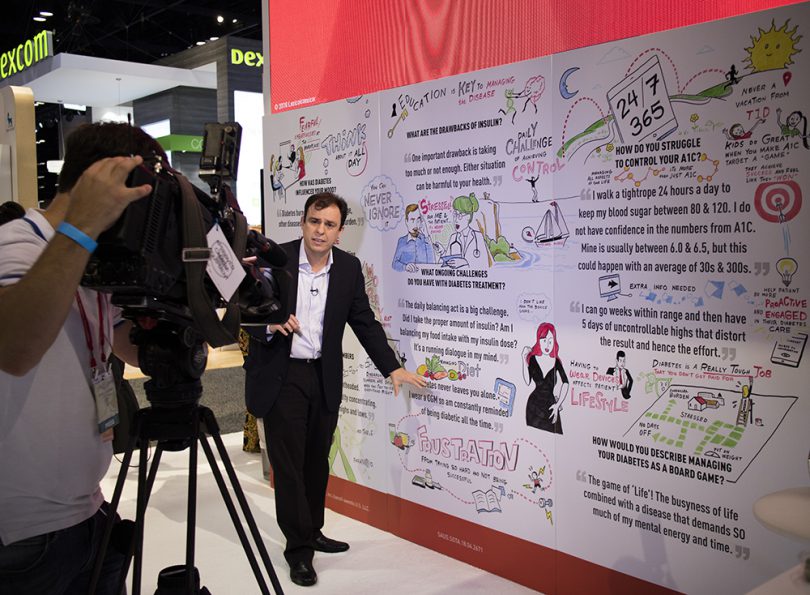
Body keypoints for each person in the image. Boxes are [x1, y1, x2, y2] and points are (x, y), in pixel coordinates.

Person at [0, 122, 156, 594]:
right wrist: (84, 225)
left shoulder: (87, 259)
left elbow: (128, 346)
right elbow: (15, 347)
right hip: (26, 536)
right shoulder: (17, 244)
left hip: (88, 512)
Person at [243, 192, 427, 587]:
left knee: (315, 461)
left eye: (329, 224)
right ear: (303, 222)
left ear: (340, 232)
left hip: (322, 376)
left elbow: (364, 321)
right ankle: (299, 552)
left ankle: (312, 531)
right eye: (314, 221)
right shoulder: (274, 262)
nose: (320, 230)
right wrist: (270, 327)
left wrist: (392, 368)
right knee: (289, 468)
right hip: (282, 375)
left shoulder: (347, 268)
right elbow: (239, 314)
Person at [522, 322, 569, 434]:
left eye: (550, 341)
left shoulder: (556, 361)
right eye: (544, 340)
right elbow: (527, 381)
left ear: (554, 342)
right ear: (538, 341)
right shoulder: (533, 359)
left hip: (550, 407)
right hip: (533, 408)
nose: (547, 345)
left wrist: (557, 405)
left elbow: (566, 382)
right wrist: (524, 360)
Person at [436, 193, 488, 269]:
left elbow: (484, 264)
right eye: (455, 215)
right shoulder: (453, 237)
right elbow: (447, 262)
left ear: (469, 216)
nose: (456, 220)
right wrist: (442, 252)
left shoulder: (478, 237)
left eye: (459, 215)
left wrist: (465, 262)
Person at [391, 203, 435, 272]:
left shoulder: (425, 240)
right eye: (412, 220)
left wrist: (426, 236)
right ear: (406, 221)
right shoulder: (402, 241)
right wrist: (405, 267)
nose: (415, 224)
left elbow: (432, 263)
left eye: (418, 220)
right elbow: (394, 264)